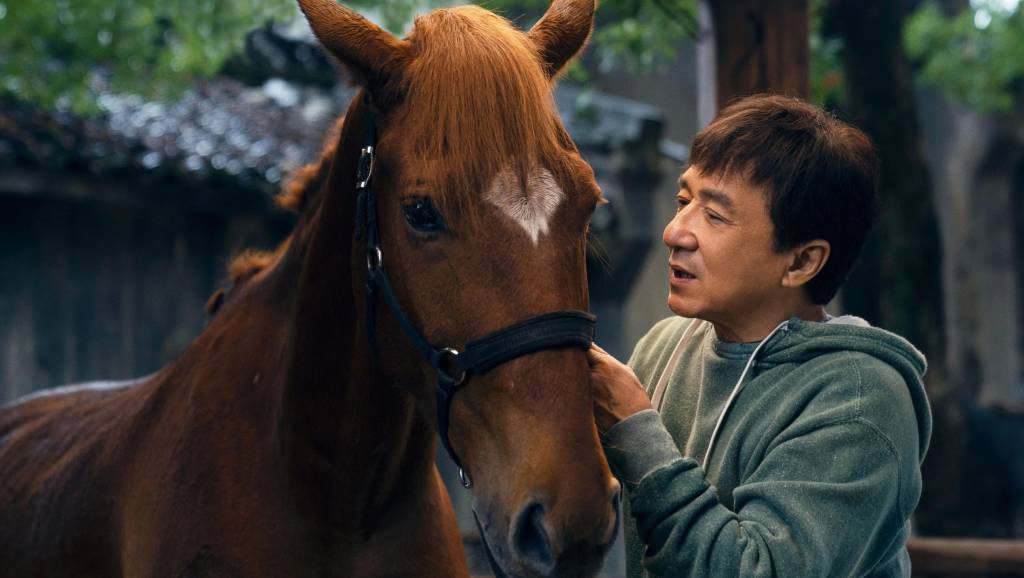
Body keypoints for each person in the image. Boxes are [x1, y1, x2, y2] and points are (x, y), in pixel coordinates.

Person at [587, 94, 932, 578]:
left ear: (800, 262)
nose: (674, 232)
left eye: (715, 215)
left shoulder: (860, 401)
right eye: (684, 200)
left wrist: (637, 433)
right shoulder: (664, 346)